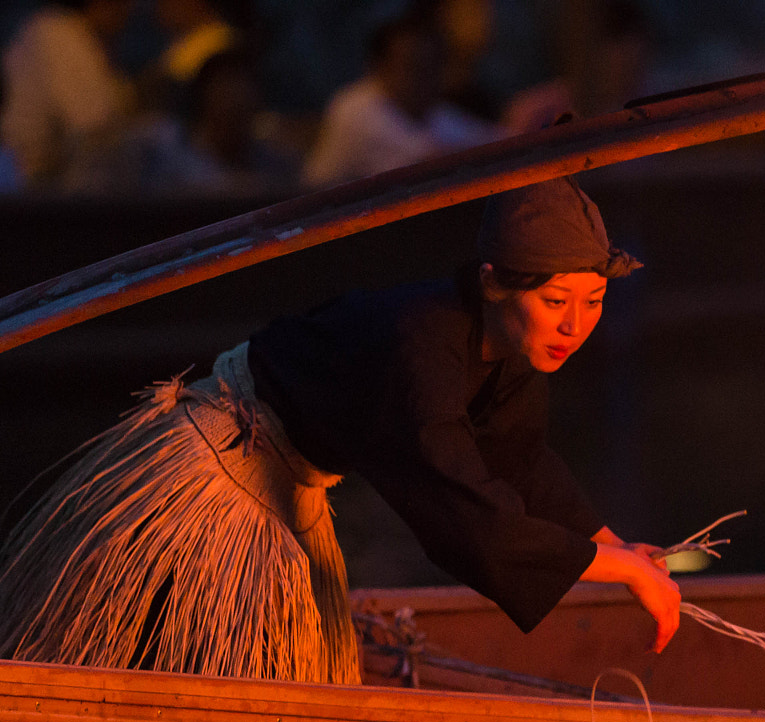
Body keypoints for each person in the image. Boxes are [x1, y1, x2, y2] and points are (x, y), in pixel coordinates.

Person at [0, 177, 681, 683]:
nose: (574, 325)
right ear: (494, 283)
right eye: (555, 301)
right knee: (148, 663)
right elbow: (463, 502)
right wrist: (615, 569)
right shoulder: (423, 345)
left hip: (293, 490)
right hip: (225, 466)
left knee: (311, 680)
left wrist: (621, 552)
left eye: (593, 301)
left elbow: (520, 463)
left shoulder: (511, 351)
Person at [68, 44, 295, 196]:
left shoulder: (273, 165)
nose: (234, 106)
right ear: (203, 100)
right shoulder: (160, 146)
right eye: (225, 96)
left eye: (243, 101)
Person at [301, 12, 492, 187]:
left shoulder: (431, 111)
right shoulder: (354, 107)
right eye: (412, 66)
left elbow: (487, 140)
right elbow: (426, 159)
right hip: (325, 220)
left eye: (433, 66)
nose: (425, 78)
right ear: (379, 67)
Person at [0, 0, 133, 187]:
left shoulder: (52, 27)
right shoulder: (61, 34)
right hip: (26, 181)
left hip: (32, 175)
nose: (130, 13)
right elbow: (95, 128)